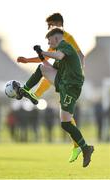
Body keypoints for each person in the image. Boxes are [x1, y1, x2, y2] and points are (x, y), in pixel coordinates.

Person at [16, 28, 94, 167]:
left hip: (71, 86)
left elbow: (58, 56)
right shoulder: (59, 49)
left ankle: (85, 148)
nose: (48, 43)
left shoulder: (64, 45)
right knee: (42, 68)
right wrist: (40, 55)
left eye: (49, 40)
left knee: (66, 123)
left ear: (56, 38)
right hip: (64, 82)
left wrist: (43, 52)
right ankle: (26, 90)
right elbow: (48, 67)